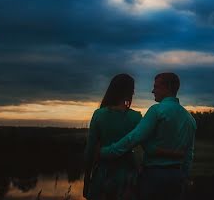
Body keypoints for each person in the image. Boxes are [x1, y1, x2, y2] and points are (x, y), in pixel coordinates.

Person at [100, 72, 197, 200]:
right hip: (177, 177)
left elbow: (133, 138)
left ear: (167, 87)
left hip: (154, 176)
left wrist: (108, 151)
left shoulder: (157, 110)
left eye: (156, 87)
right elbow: (189, 154)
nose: (152, 91)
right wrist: (184, 177)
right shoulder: (190, 118)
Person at [84, 74, 142, 200]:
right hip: (127, 177)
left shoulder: (99, 114)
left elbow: (90, 150)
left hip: (103, 175)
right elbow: (142, 150)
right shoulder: (136, 117)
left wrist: (87, 181)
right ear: (130, 92)